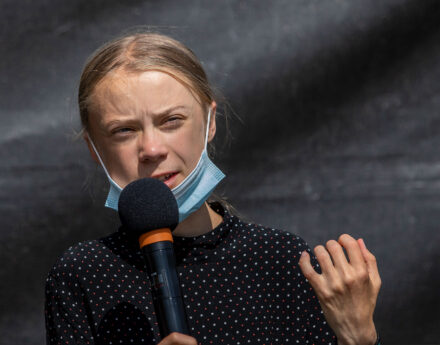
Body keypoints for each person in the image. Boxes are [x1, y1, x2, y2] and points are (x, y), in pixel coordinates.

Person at [45, 31, 381, 345]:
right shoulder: (83, 275)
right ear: (94, 147)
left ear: (210, 122)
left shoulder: (281, 261)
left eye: (171, 121)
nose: (151, 149)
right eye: (124, 131)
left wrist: (358, 339)